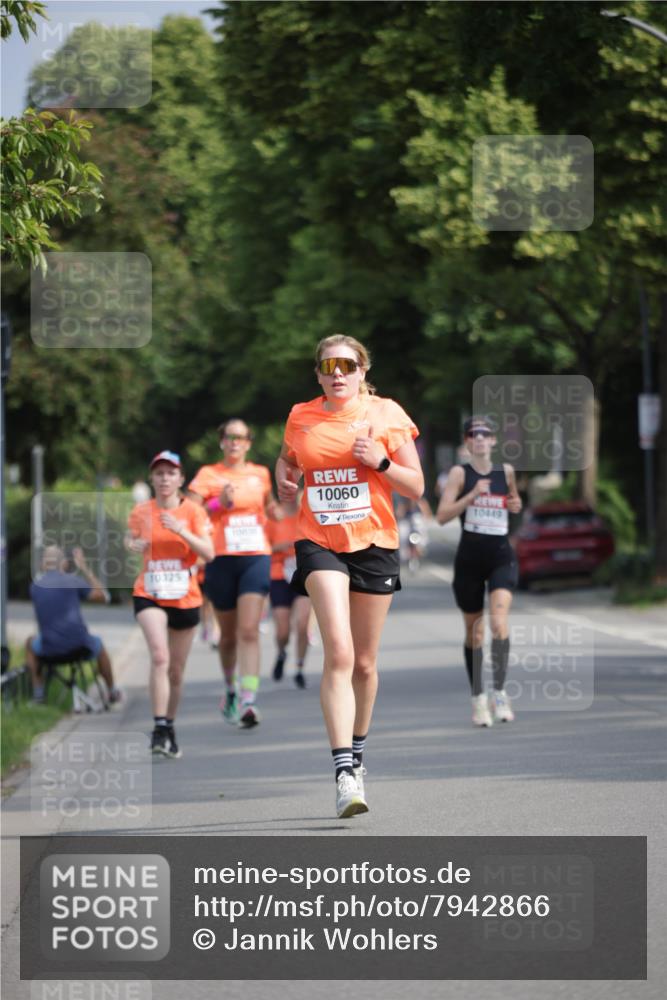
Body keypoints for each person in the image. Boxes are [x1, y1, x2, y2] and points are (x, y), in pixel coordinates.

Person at [276, 334, 424, 818]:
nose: (337, 373)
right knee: (337, 651)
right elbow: (288, 458)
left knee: (364, 663)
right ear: (318, 374)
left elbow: (417, 486)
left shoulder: (387, 414)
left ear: (363, 370)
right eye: (328, 366)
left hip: (375, 542)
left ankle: (358, 753)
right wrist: (284, 475)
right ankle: (343, 772)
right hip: (318, 541)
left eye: (347, 364)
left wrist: (380, 462)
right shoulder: (301, 416)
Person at [188, 419, 278, 729]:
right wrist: (217, 502)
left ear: (249, 443)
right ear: (222, 442)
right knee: (227, 637)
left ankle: (248, 699)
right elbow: (188, 513)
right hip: (221, 558)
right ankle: (229, 689)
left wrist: (292, 510)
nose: (235, 442)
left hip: (255, 555)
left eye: (240, 437)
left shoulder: (261, 475)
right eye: (229, 437)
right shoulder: (208, 475)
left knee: (249, 631)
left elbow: (271, 509)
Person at [126, 451, 214, 758]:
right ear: (152, 478)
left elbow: (210, 552)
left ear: (181, 479)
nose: (164, 478)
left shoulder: (193, 512)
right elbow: (131, 538)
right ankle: (159, 725)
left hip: (185, 594)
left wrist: (181, 530)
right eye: (159, 473)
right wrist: (133, 543)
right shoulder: (141, 511)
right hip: (149, 591)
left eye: (170, 473)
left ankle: (170, 725)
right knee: (160, 658)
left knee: (176, 671)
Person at [435, 416, 522, 727]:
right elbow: (442, 515)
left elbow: (513, 500)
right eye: (474, 434)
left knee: (499, 623)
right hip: (469, 560)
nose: (481, 438)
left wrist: (515, 504)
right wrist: (471, 496)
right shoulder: (461, 474)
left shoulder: (506, 472)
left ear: (494, 440)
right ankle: (478, 698)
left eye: (486, 434)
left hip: (500, 557)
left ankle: (499, 691)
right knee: (476, 633)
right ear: (467, 441)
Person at [26, 545, 120, 704]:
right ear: (65, 564)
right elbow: (104, 597)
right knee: (99, 645)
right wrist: (84, 567)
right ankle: (112, 692)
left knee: (29, 642)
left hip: (49, 650)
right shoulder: (73, 581)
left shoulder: (34, 587)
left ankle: (38, 695)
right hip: (80, 647)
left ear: (43, 565)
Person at [265, 497, 311, 689]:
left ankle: (299, 668)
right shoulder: (273, 517)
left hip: (302, 574)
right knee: (283, 631)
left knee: (302, 625)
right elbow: (262, 547)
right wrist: (281, 547)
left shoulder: (307, 515)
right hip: (278, 575)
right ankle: (282, 652)